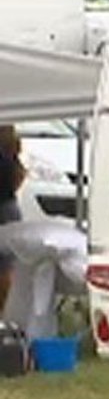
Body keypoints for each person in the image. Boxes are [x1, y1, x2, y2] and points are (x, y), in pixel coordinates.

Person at [0, 125, 25, 311]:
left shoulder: (6, 160)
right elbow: (19, 178)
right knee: (6, 265)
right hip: (9, 206)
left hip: (5, 208)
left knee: (5, 266)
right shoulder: (11, 158)